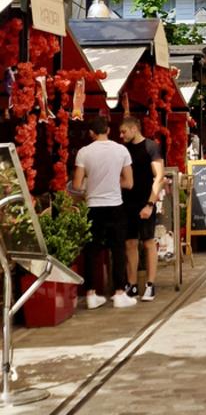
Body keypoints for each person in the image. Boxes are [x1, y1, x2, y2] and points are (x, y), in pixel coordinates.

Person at [73, 115, 136, 310]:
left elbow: (76, 185)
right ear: (108, 130)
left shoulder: (84, 153)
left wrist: (91, 184)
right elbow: (129, 183)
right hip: (115, 205)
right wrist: (112, 182)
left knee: (91, 250)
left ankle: (91, 294)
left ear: (91, 133)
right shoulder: (121, 150)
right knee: (118, 249)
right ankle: (119, 293)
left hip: (93, 206)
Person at [119, 116, 165, 303]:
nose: (121, 135)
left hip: (145, 201)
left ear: (134, 129)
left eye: (124, 132)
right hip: (126, 202)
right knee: (130, 243)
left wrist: (150, 204)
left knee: (148, 242)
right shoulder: (124, 150)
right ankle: (132, 284)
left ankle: (150, 284)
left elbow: (159, 176)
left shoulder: (151, 147)